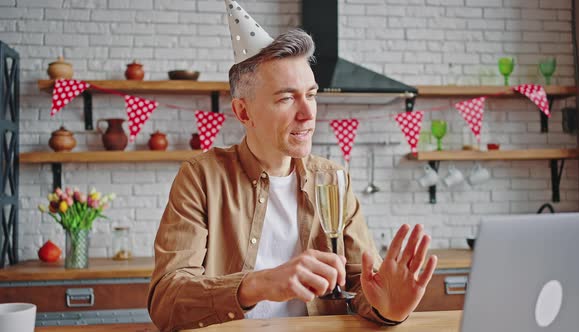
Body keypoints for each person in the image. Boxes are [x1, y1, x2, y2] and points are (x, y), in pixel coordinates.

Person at [148, 9, 437, 332]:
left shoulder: (332, 179)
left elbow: (363, 287)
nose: (307, 114)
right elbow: (166, 301)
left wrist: (389, 308)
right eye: (286, 98)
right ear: (243, 111)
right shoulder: (201, 178)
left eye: (311, 95)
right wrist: (258, 284)